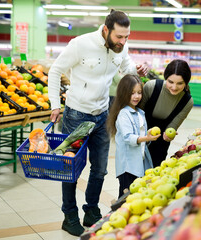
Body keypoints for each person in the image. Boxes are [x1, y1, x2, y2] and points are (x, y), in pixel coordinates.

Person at [48, 9, 148, 236]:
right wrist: (55, 103)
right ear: (106, 30)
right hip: (76, 115)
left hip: (103, 113)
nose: (123, 41)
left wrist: (138, 70)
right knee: (70, 170)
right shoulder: (79, 44)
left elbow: (126, 68)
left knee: (100, 169)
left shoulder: (121, 47)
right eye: (119, 37)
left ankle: (91, 210)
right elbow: (55, 71)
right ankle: (69, 215)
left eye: (127, 37)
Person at [106, 74, 160, 198]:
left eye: (139, 92)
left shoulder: (140, 113)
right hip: (128, 166)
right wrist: (146, 138)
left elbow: (142, 142)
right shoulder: (124, 114)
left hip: (139, 163)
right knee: (125, 199)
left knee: (137, 197)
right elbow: (128, 138)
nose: (136, 96)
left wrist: (148, 137)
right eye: (132, 93)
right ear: (124, 93)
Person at [138, 59, 194, 167]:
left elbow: (172, 126)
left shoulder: (187, 102)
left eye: (180, 83)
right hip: (140, 136)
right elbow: (137, 115)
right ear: (165, 78)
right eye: (170, 82)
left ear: (186, 82)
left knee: (153, 175)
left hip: (160, 144)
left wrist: (169, 135)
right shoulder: (151, 87)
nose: (174, 87)